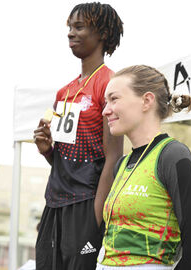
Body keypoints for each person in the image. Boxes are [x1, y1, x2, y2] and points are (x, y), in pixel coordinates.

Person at [33, 3, 123, 270]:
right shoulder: (65, 91)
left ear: (103, 33)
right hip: (54, 203)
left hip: (87, 203)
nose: (70, 33)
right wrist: (48, 150)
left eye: (79, 27)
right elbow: (68, 161)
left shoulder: (110, 84)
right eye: (69, 27)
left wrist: (97, 215)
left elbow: (114, 155)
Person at [98, 65, 191, 269]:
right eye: (105, 102)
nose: (105, 110)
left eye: (114, 99)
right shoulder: (122, 164)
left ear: (147, 101)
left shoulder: (172, 155)